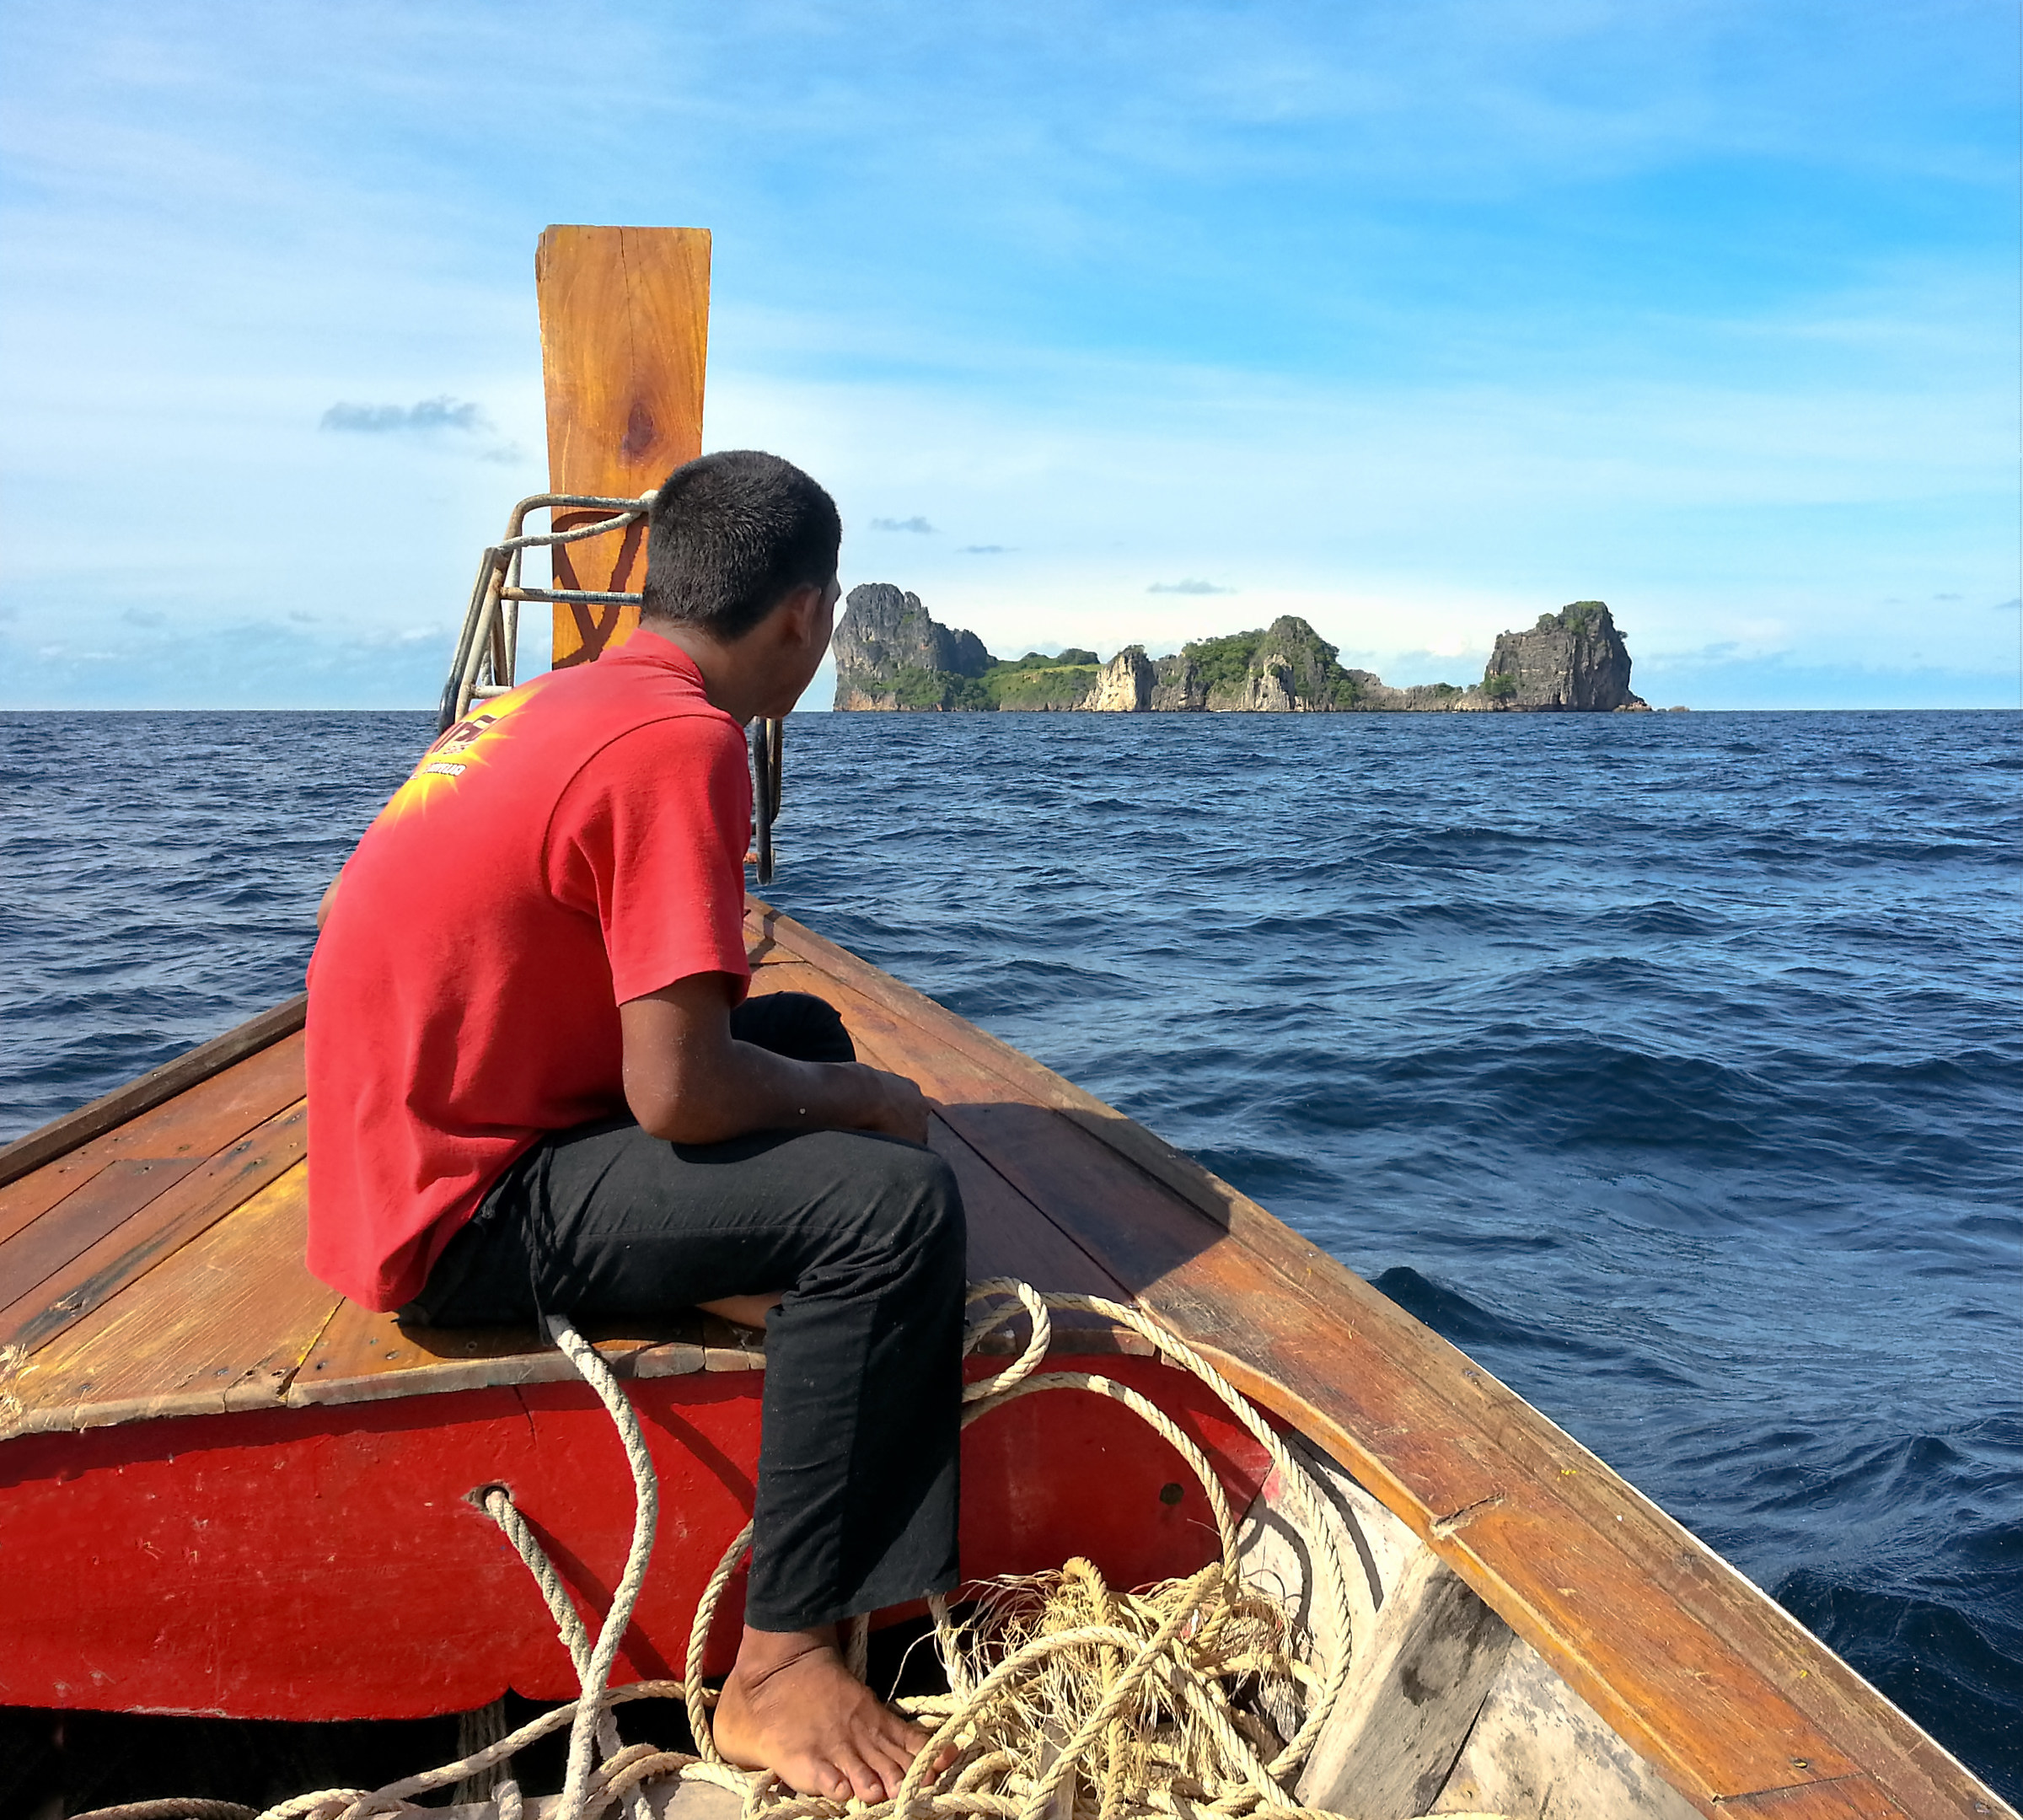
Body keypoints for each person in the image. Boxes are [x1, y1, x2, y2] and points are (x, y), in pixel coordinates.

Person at [305, 450, 964, 1804]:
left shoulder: (564, 699)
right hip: (456, 1214)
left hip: (399, 1153)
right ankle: (777, 1671)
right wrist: (876, 1107)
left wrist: (823, 1084)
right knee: (895, 1208)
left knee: (802, 1039)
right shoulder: (685, 742)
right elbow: (675, 1094)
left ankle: (732, 1276)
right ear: (806, 616)